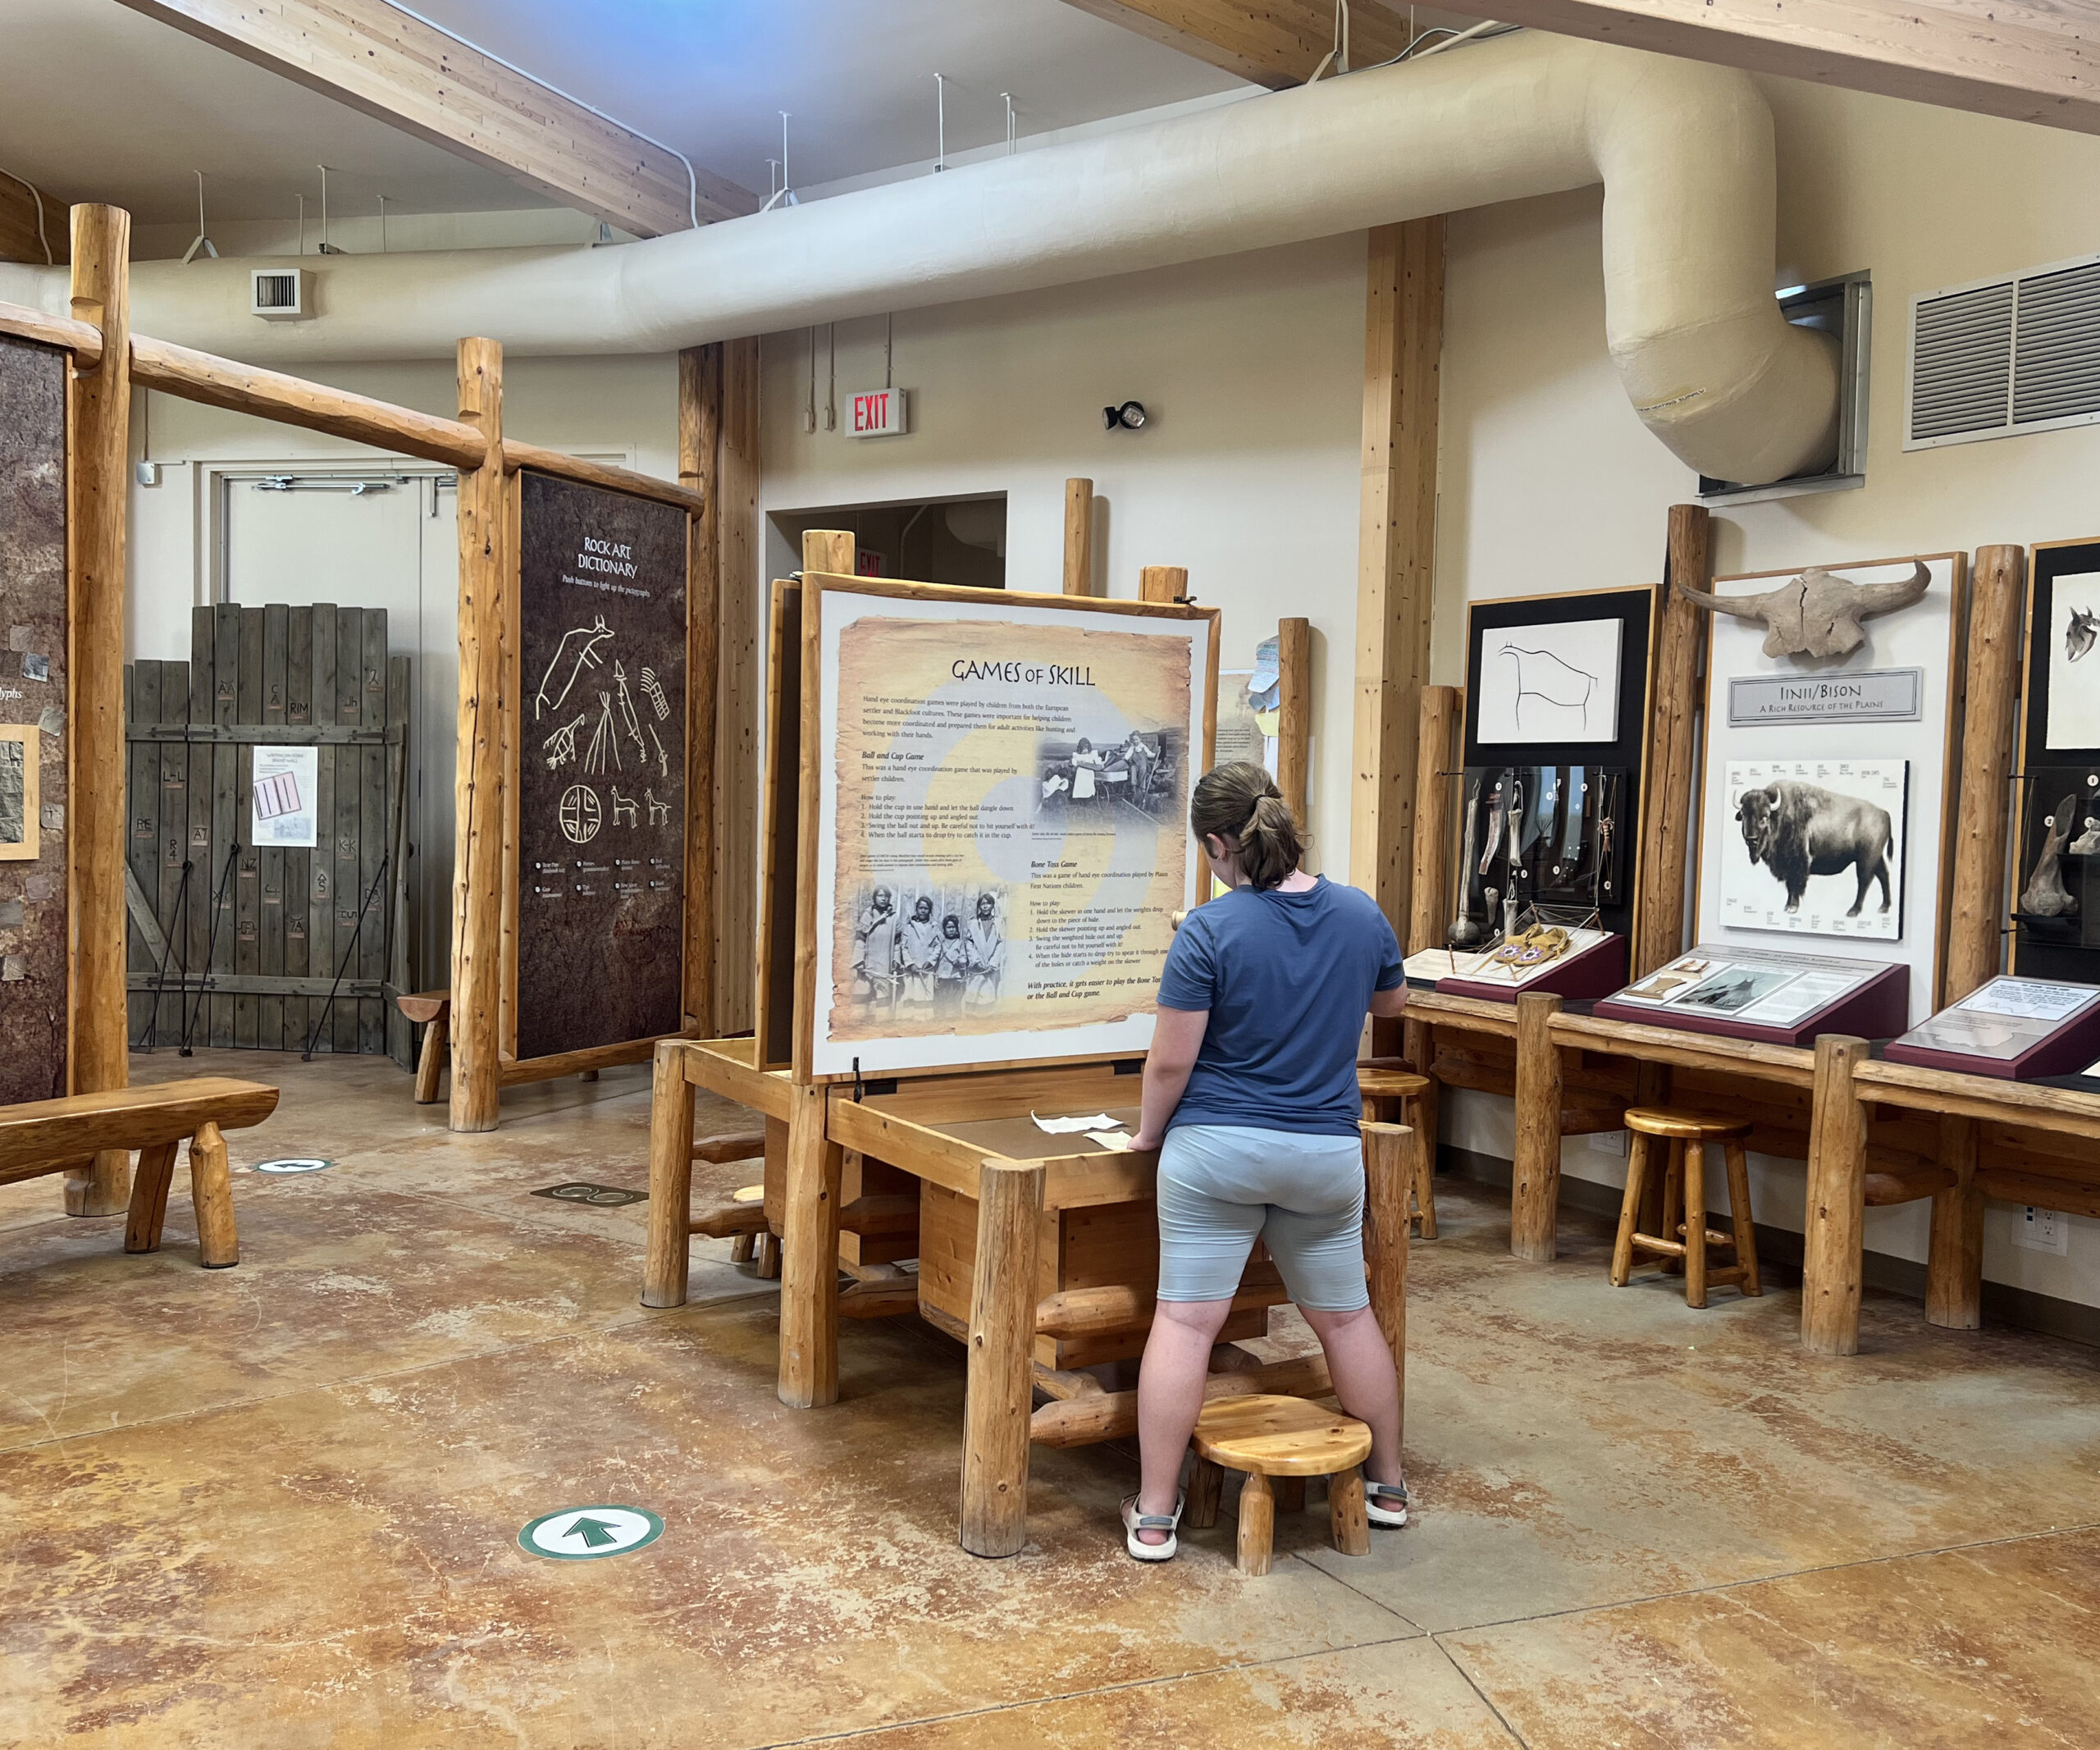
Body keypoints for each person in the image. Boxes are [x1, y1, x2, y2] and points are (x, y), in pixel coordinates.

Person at [1121, 761, 1410, 1560]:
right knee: (1345, 1319)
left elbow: (1170, 1067)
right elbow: (1392, 1005)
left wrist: (1148, 1135)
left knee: (1185, 1321)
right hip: (1322, 1154)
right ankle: (1387, 1483)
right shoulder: (1358, 913)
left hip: (1217, 1153)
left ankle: (1153, 1516)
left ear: (1219, 843)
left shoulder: (1209, 931)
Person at [852, 887, 899, 1014]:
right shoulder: (867, 915)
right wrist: (859, 961)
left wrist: (896, 959)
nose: (883, 899)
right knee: (861, 997)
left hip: (884, 962)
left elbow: (897, 943)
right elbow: (860, 939)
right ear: (875, 898)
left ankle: (881, 1025)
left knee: (882, 997)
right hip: (867, 963)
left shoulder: (894, 918)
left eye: (886, 896)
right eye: (880, 896)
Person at [899, 895, 942, 1010]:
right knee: (911, 997)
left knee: (925, 999)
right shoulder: (909, 927)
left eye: (926, 908)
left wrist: (930, 961)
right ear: (916, 909)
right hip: (912, 969)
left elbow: (938, 947)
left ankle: (924, 1022)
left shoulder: (934, 927)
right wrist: (910, 964)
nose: (923, 911)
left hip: (926, 969)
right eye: (921, 908)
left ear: (930, 911)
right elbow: (904, 947)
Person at [964, 892, 1005, 1011]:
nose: (985, 906)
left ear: (992, 906)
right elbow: (969, 943)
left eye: (988, 903)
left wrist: (992, 964)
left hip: (990, 967)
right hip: (977, 966)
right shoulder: (973, 923)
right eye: (983, 904)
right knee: (973, 996)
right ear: (979, 907)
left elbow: (1000, 943)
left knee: (988, 997)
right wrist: (976, 961)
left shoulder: (998, 922)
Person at [934, 914, 969, 1018]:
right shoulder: (941, 942)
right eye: (949, 927)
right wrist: (936, 976)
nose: (951, 930)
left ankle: (955, 1021)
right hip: (942, 977)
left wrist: (959, 961)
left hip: (955, 977)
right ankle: (941, 1020)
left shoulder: (960, 943)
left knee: (954, 1002)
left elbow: (964, 958)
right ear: (944, 929)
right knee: (941, 1002)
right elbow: (937, 961)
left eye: (953, 927)